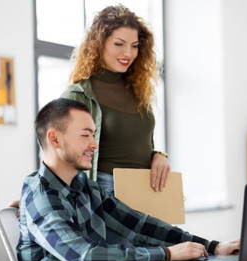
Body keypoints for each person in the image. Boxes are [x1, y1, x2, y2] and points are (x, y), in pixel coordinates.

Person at [17, 98, 239, 261]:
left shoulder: (83, 185)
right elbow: (86, 258)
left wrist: (213, 247)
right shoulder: (41, 196)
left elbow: (138, 224)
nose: (94, 144)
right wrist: (166, 254)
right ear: (54, 139)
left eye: (93, 135)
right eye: (85, 135)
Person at [61, 5, 169, 194]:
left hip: (147, 190)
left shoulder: (137, 92)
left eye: (134, 46)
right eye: (119, 44)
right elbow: (59, 156)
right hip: (106, 191)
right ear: (99, 43)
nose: (128, 53)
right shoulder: (79, 95)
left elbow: (138, 144)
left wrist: (158, 156)